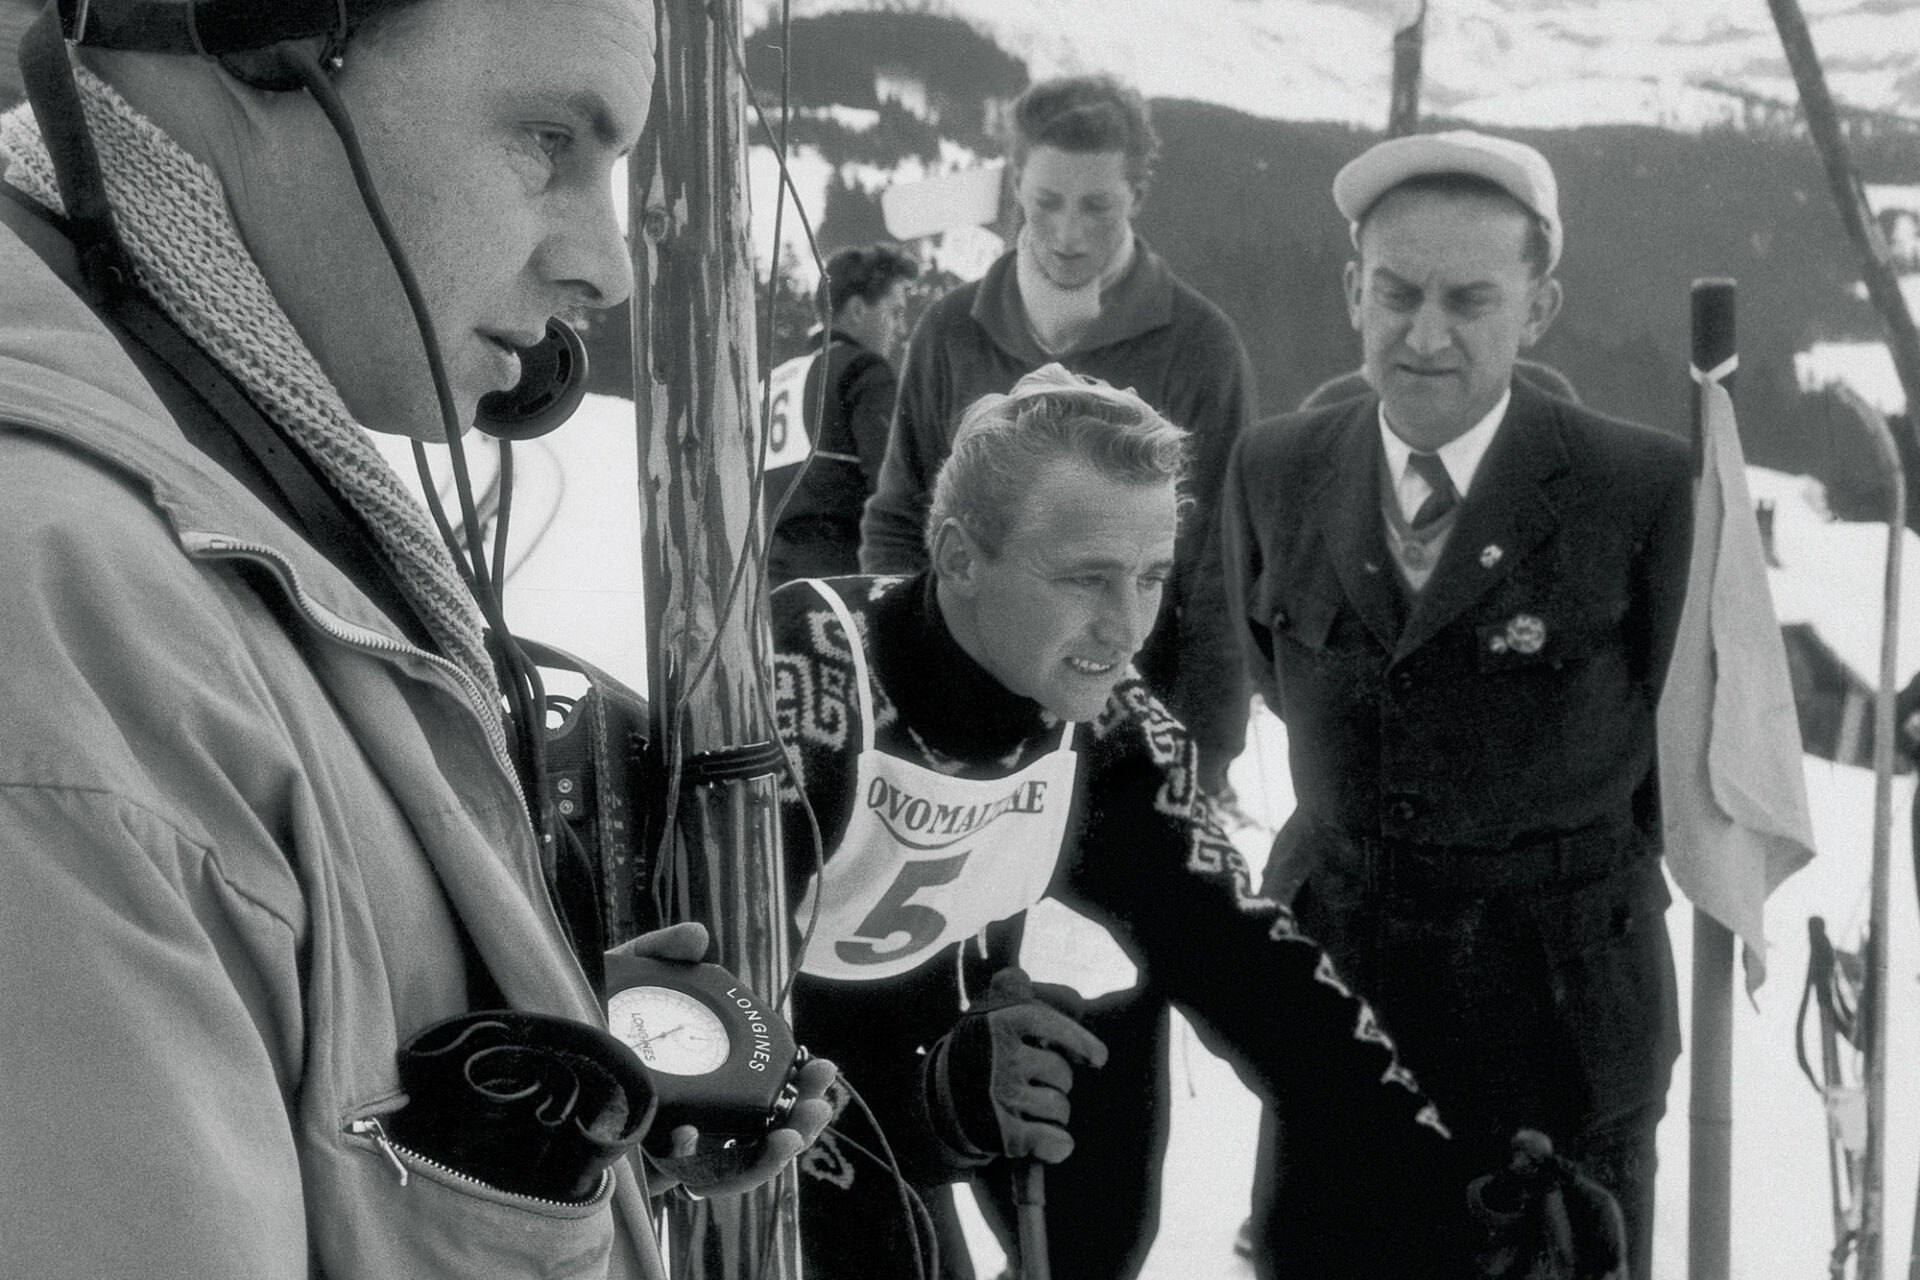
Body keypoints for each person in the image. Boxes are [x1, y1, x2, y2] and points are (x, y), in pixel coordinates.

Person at [0, 3, 830, 1277]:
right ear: (271, 35)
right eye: (549, 138)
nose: (607, 265)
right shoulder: (66, 618)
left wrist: (489, 1019)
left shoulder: (202, 463)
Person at [770, 364, 1594, 1280]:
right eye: (1085, 578)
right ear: (960, 558)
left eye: (1150, 577)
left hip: (955, 1015)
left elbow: (1247, 959)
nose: (1125, 630)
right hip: (791, 1052)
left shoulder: (1109, 725)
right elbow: (691, 1024)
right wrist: (925, 1101)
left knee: (1101, 1235)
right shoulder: (806, 689)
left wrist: (1453, 1189)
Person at [1222, 129, 1694, 1280]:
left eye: (1470, 298)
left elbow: (1685, 762)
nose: (1425, 333)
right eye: (1396, 293)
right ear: (1353, 293)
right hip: (1342, 1004)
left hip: (1562, 1016)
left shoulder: (1639, 489)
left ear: (1537, 307)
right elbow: (1275, 674)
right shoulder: (1273, 470)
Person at [857, 73, 1252, 797]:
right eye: (1046, 202)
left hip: (1123, 737)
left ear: (1135, 195)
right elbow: (900, 514)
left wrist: (1207, 755)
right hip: (954, 730)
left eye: (1097, 206)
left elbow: (1220, 574)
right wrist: (894, 676)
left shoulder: (1200, 347)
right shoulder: (951, 330)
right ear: (1016, 187)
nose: (1069, 233)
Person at [766, 242, 920, 584]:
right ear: (857, 310)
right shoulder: (863, 369)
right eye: (894, 312)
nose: (900, 329)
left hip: (769, 578)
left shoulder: (776, 379)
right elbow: (893, 482)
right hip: (842, 582)